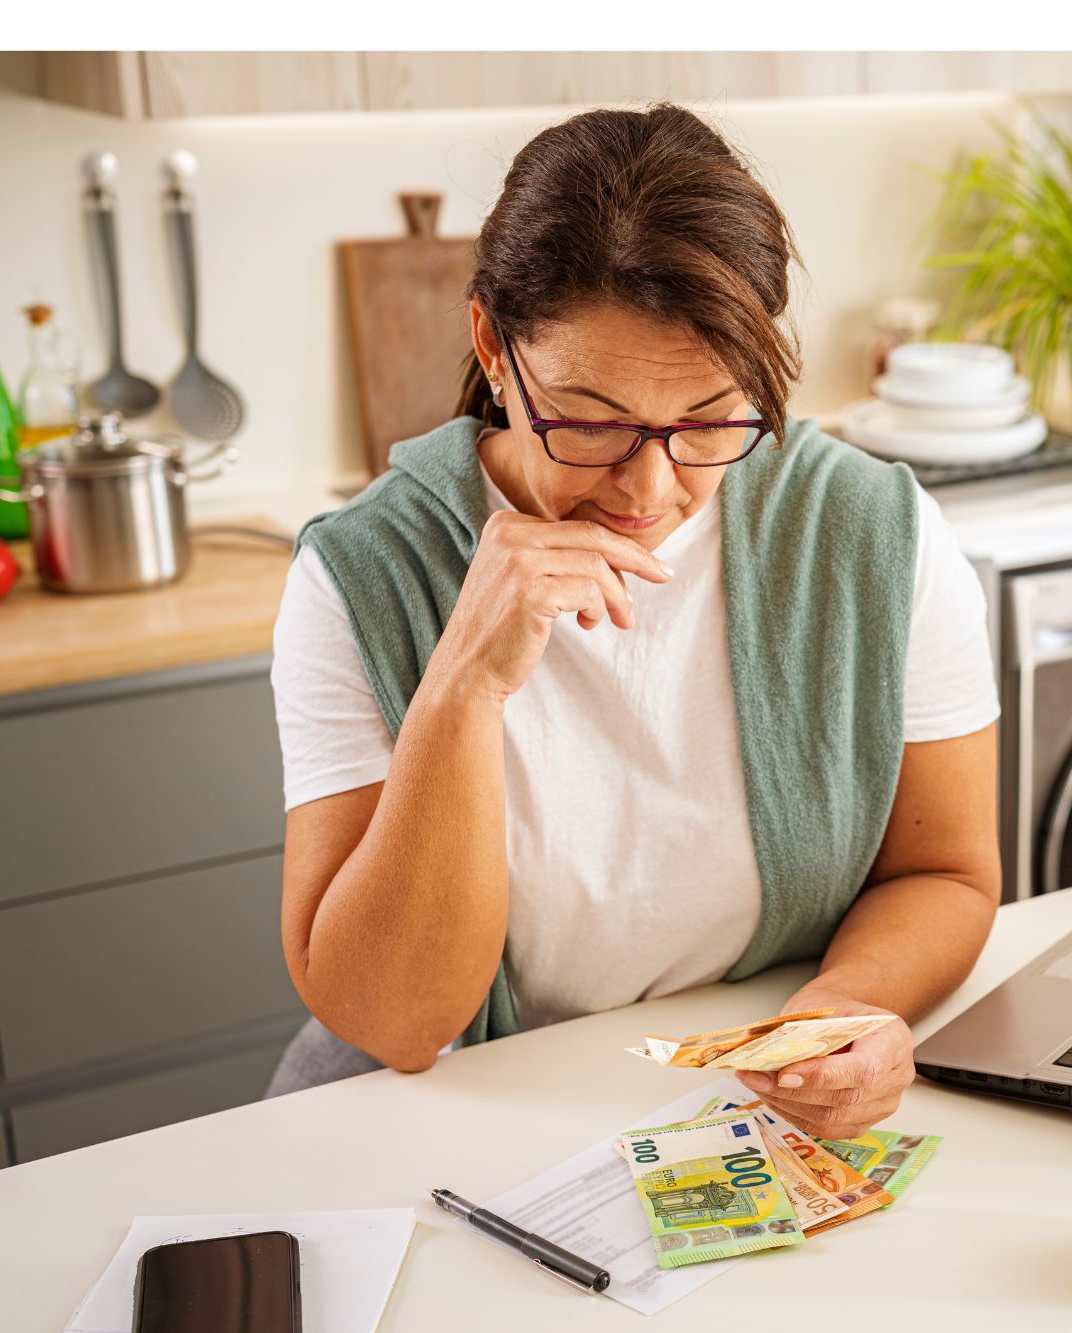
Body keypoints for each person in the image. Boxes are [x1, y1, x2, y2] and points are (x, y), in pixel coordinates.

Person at [266, 104, 1001, 1141]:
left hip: (720, 1106)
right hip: (439, 1110)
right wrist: (462, 686)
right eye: (589, 421)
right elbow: (395, 1023)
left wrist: (846, 1003)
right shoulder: (359, 574)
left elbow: (945, 872)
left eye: (710, 419)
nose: (650, 487)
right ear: (489, 344)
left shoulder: (874, 536)